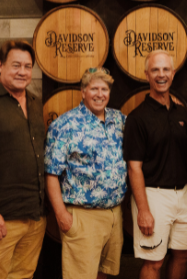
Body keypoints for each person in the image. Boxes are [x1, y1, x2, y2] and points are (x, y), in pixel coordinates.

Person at [45, 67, 127, 279]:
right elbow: (51, 173)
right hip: (82, 216)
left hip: (114, 215)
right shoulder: (65, 125)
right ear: (83, 91)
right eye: (94, 89)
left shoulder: (119, 121)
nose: (100, 94)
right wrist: (61, 214)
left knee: (105, 273)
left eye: (104, 89)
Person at [124, 50, 187, 279]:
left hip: (182, 193)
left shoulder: (181, 112)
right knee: (154, 261)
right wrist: (143, 210)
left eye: (166, 69)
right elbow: (134, 167)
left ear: (173, 74)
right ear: (147, 75)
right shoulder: (138, 118)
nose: (161, 74)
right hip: (153, 196)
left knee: (183, 253)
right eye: (155, 70)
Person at [0, 40, 46, 279]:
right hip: (5, 218)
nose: (22, 71)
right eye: (16, 65)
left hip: (35, 214)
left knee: (23, 275)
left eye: (28, 66)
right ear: (0, 66)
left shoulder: (36, 102)